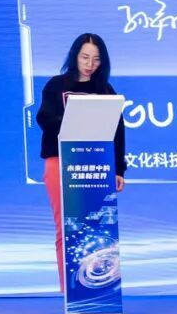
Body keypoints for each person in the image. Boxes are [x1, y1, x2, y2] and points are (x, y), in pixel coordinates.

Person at [36, 32, 127, 292]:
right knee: (67, 226)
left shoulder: (106, 90)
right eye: (85, 57)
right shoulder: (56, 85)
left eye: (96, 59)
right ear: (74, 56)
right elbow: (45, 119)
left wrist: (118, 168)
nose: (89, 64)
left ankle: (98, 291)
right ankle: (71, 292)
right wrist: (77, 121)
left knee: (97, 226)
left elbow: (118, 131)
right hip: (60, 161)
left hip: (97, 165)